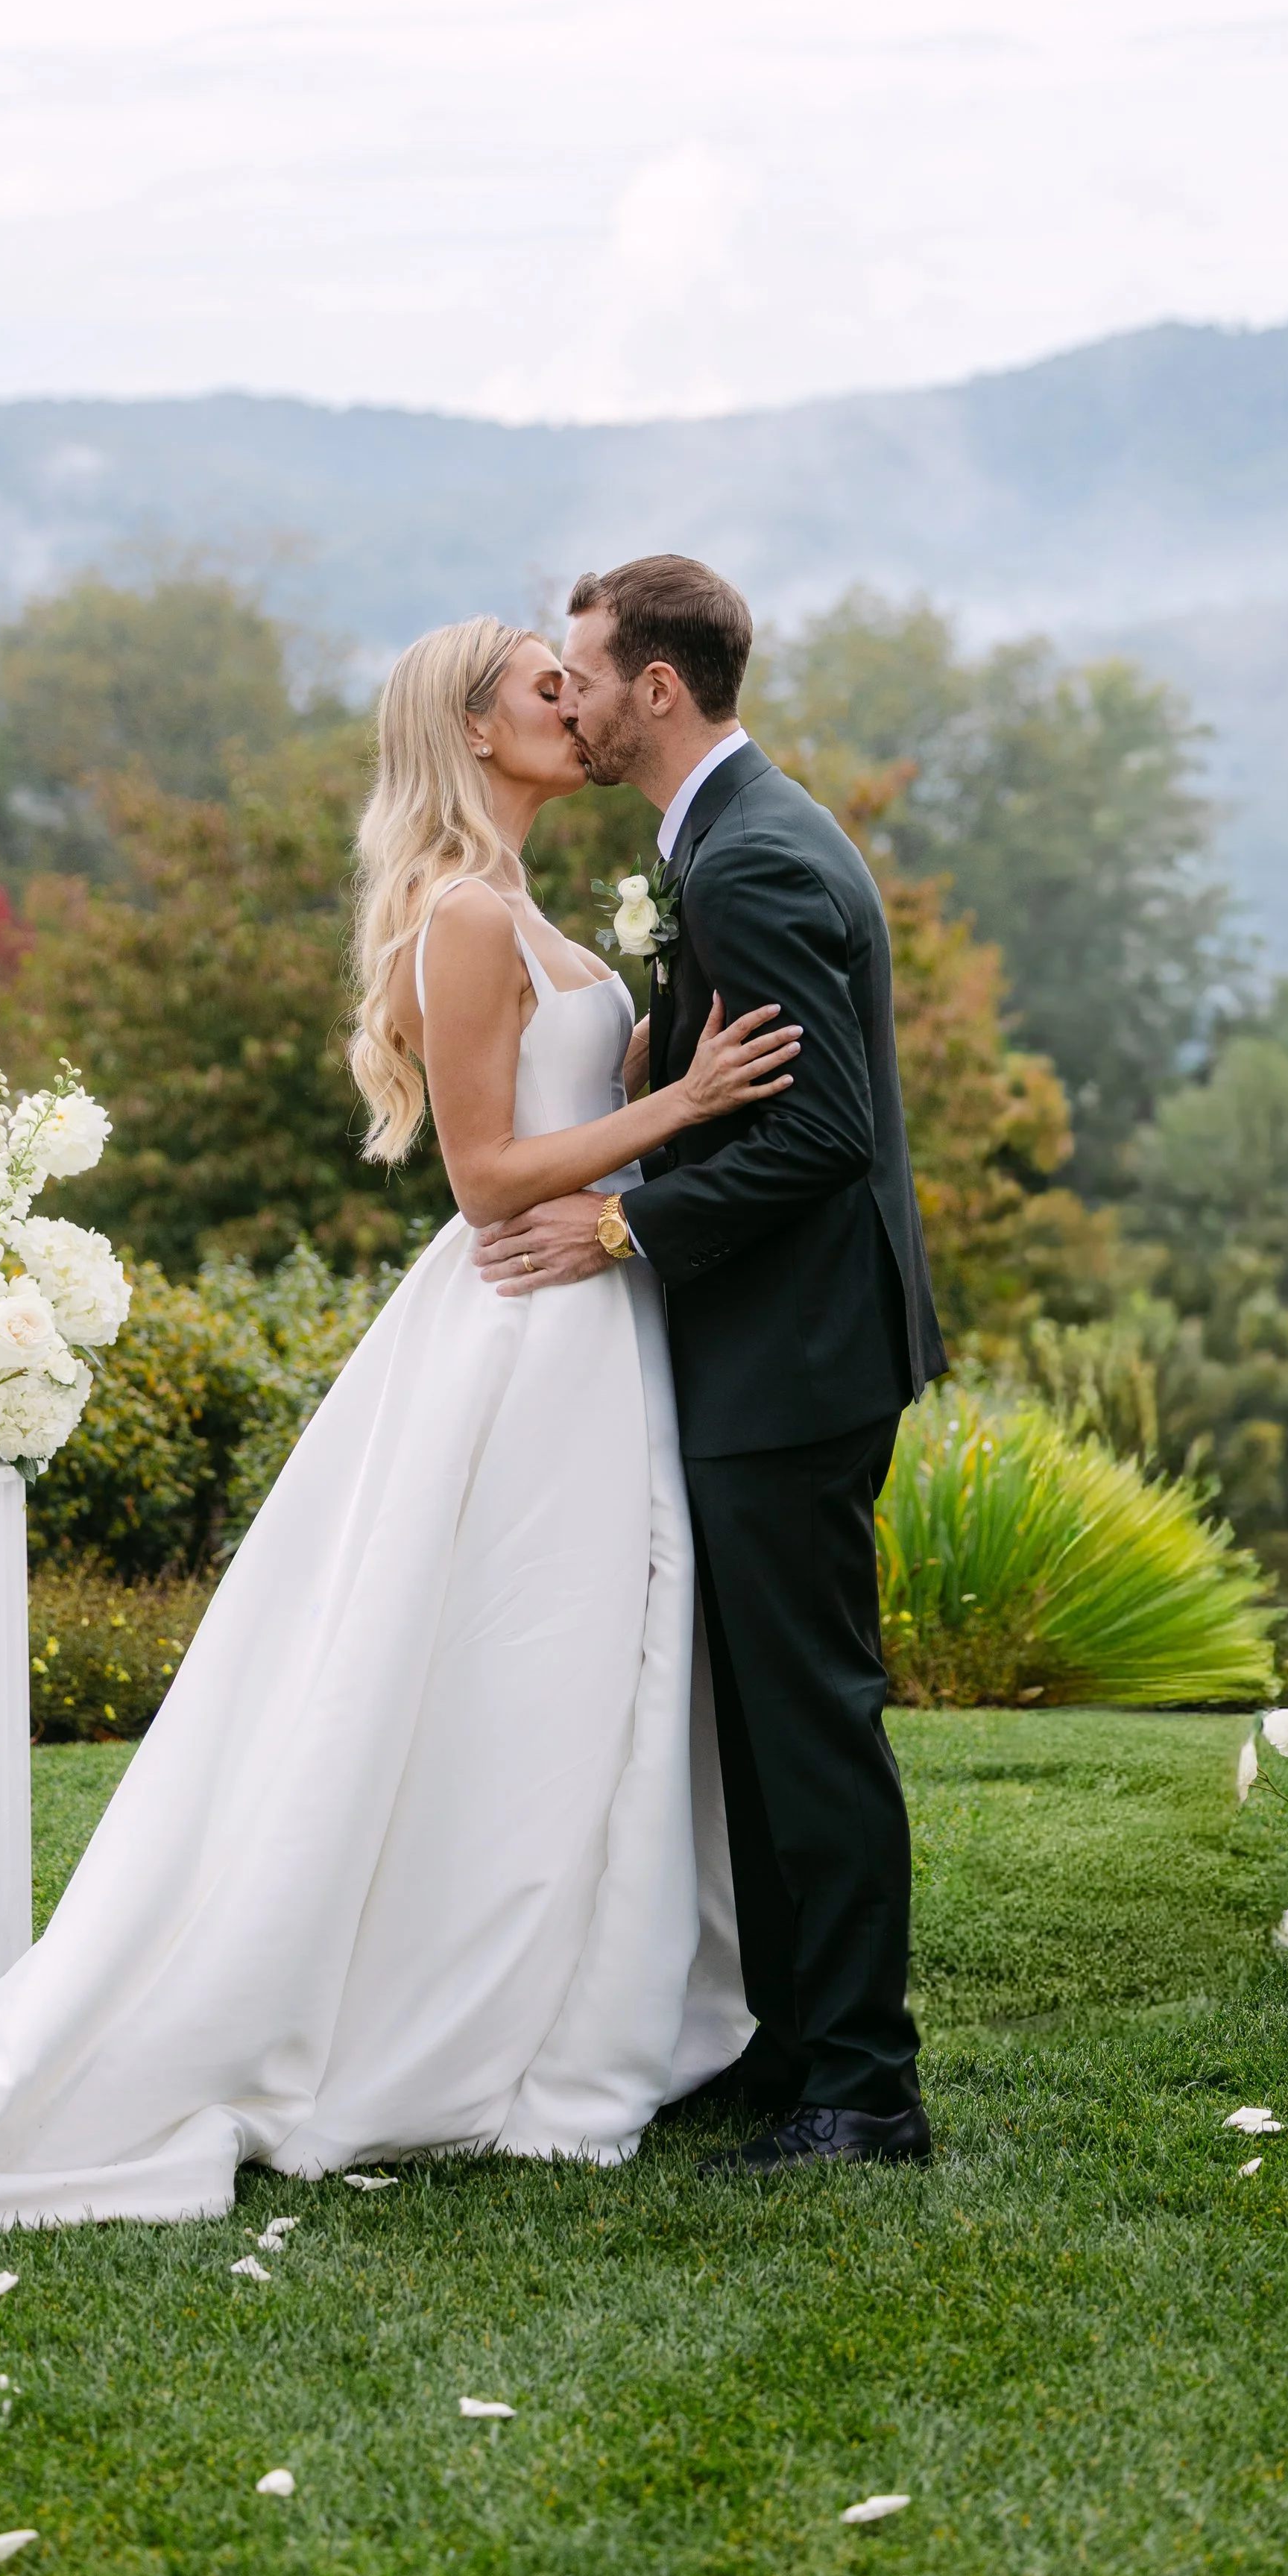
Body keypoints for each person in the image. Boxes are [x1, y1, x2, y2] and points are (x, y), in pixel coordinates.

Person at [0, 615, 791, 2250]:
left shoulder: (533, 909)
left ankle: (564, 2007)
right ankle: (459, 2021)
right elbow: (482, 1176)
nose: (580, 708)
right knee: (504, 1660)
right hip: (516, 1328)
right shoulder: (463, 918)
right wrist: (679, 1111)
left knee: (566, 1675)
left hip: (590, 1328)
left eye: (579, 682)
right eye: (548, 689)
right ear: (471, 731)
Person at [476, 555, 946, 2174]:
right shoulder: (737, 838)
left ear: (654, 687)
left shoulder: (747, 862)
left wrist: (622, 1229)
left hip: (793, 1357)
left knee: (809, 1715)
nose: (574, 701)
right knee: (759, 1714)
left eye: (586, 675)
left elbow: (819, 1136)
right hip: (781, 1345)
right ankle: (797, 2044)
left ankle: (864, 2090)